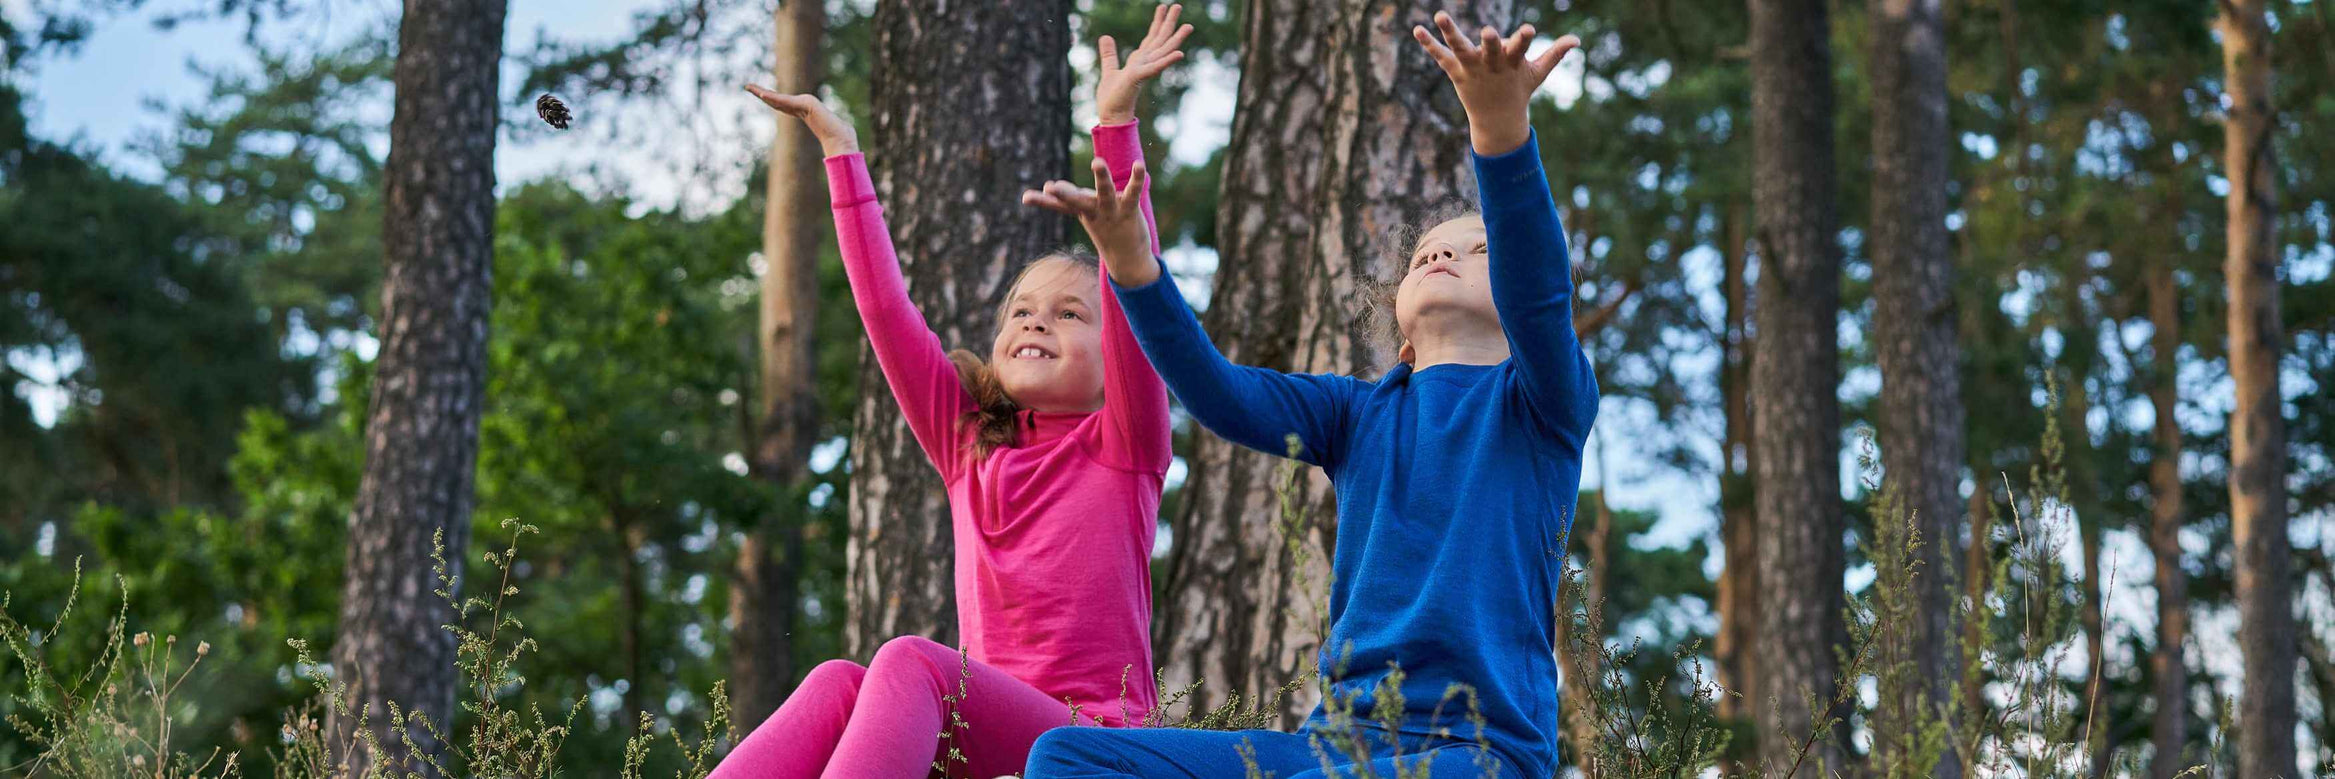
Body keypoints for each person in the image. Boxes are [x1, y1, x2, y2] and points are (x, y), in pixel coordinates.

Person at [1018, 12, 1593, 778]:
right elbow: (1218, 393)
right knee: (1068, 753)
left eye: (1476, 248)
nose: (1445, 255)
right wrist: (1131, 267)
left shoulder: (1542, 403)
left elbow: (1540, 292)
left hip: (1480, 755)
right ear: (1401, 325)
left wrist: (1498, 130)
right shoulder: (1355, 413)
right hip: (1331, 748)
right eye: (1427, 253)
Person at [712, 6, 1192, 777]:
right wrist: (842, 152)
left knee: (911, 659)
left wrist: (1114, 122)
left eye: (1070, 313)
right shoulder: (969, 442)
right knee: (841, 680)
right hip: (984, 733)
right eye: (1021, 311)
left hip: (1093, 741)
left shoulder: (1125, 443)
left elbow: (1138, 287)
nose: (1036, 322)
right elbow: (883, 309)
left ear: (1114, 353)